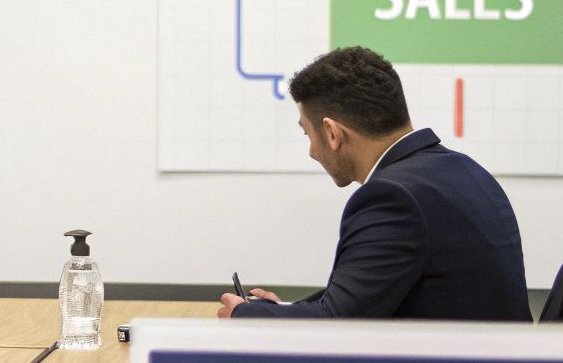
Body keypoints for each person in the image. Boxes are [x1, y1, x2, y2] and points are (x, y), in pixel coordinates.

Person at [218, 46, 530, 322]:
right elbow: (362, 299)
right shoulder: (463, 170)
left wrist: (247, 314)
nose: (312, 151)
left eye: (307, 135)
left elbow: (338, 325)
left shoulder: (392, 198)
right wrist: (282, 309)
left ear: (332, 133)